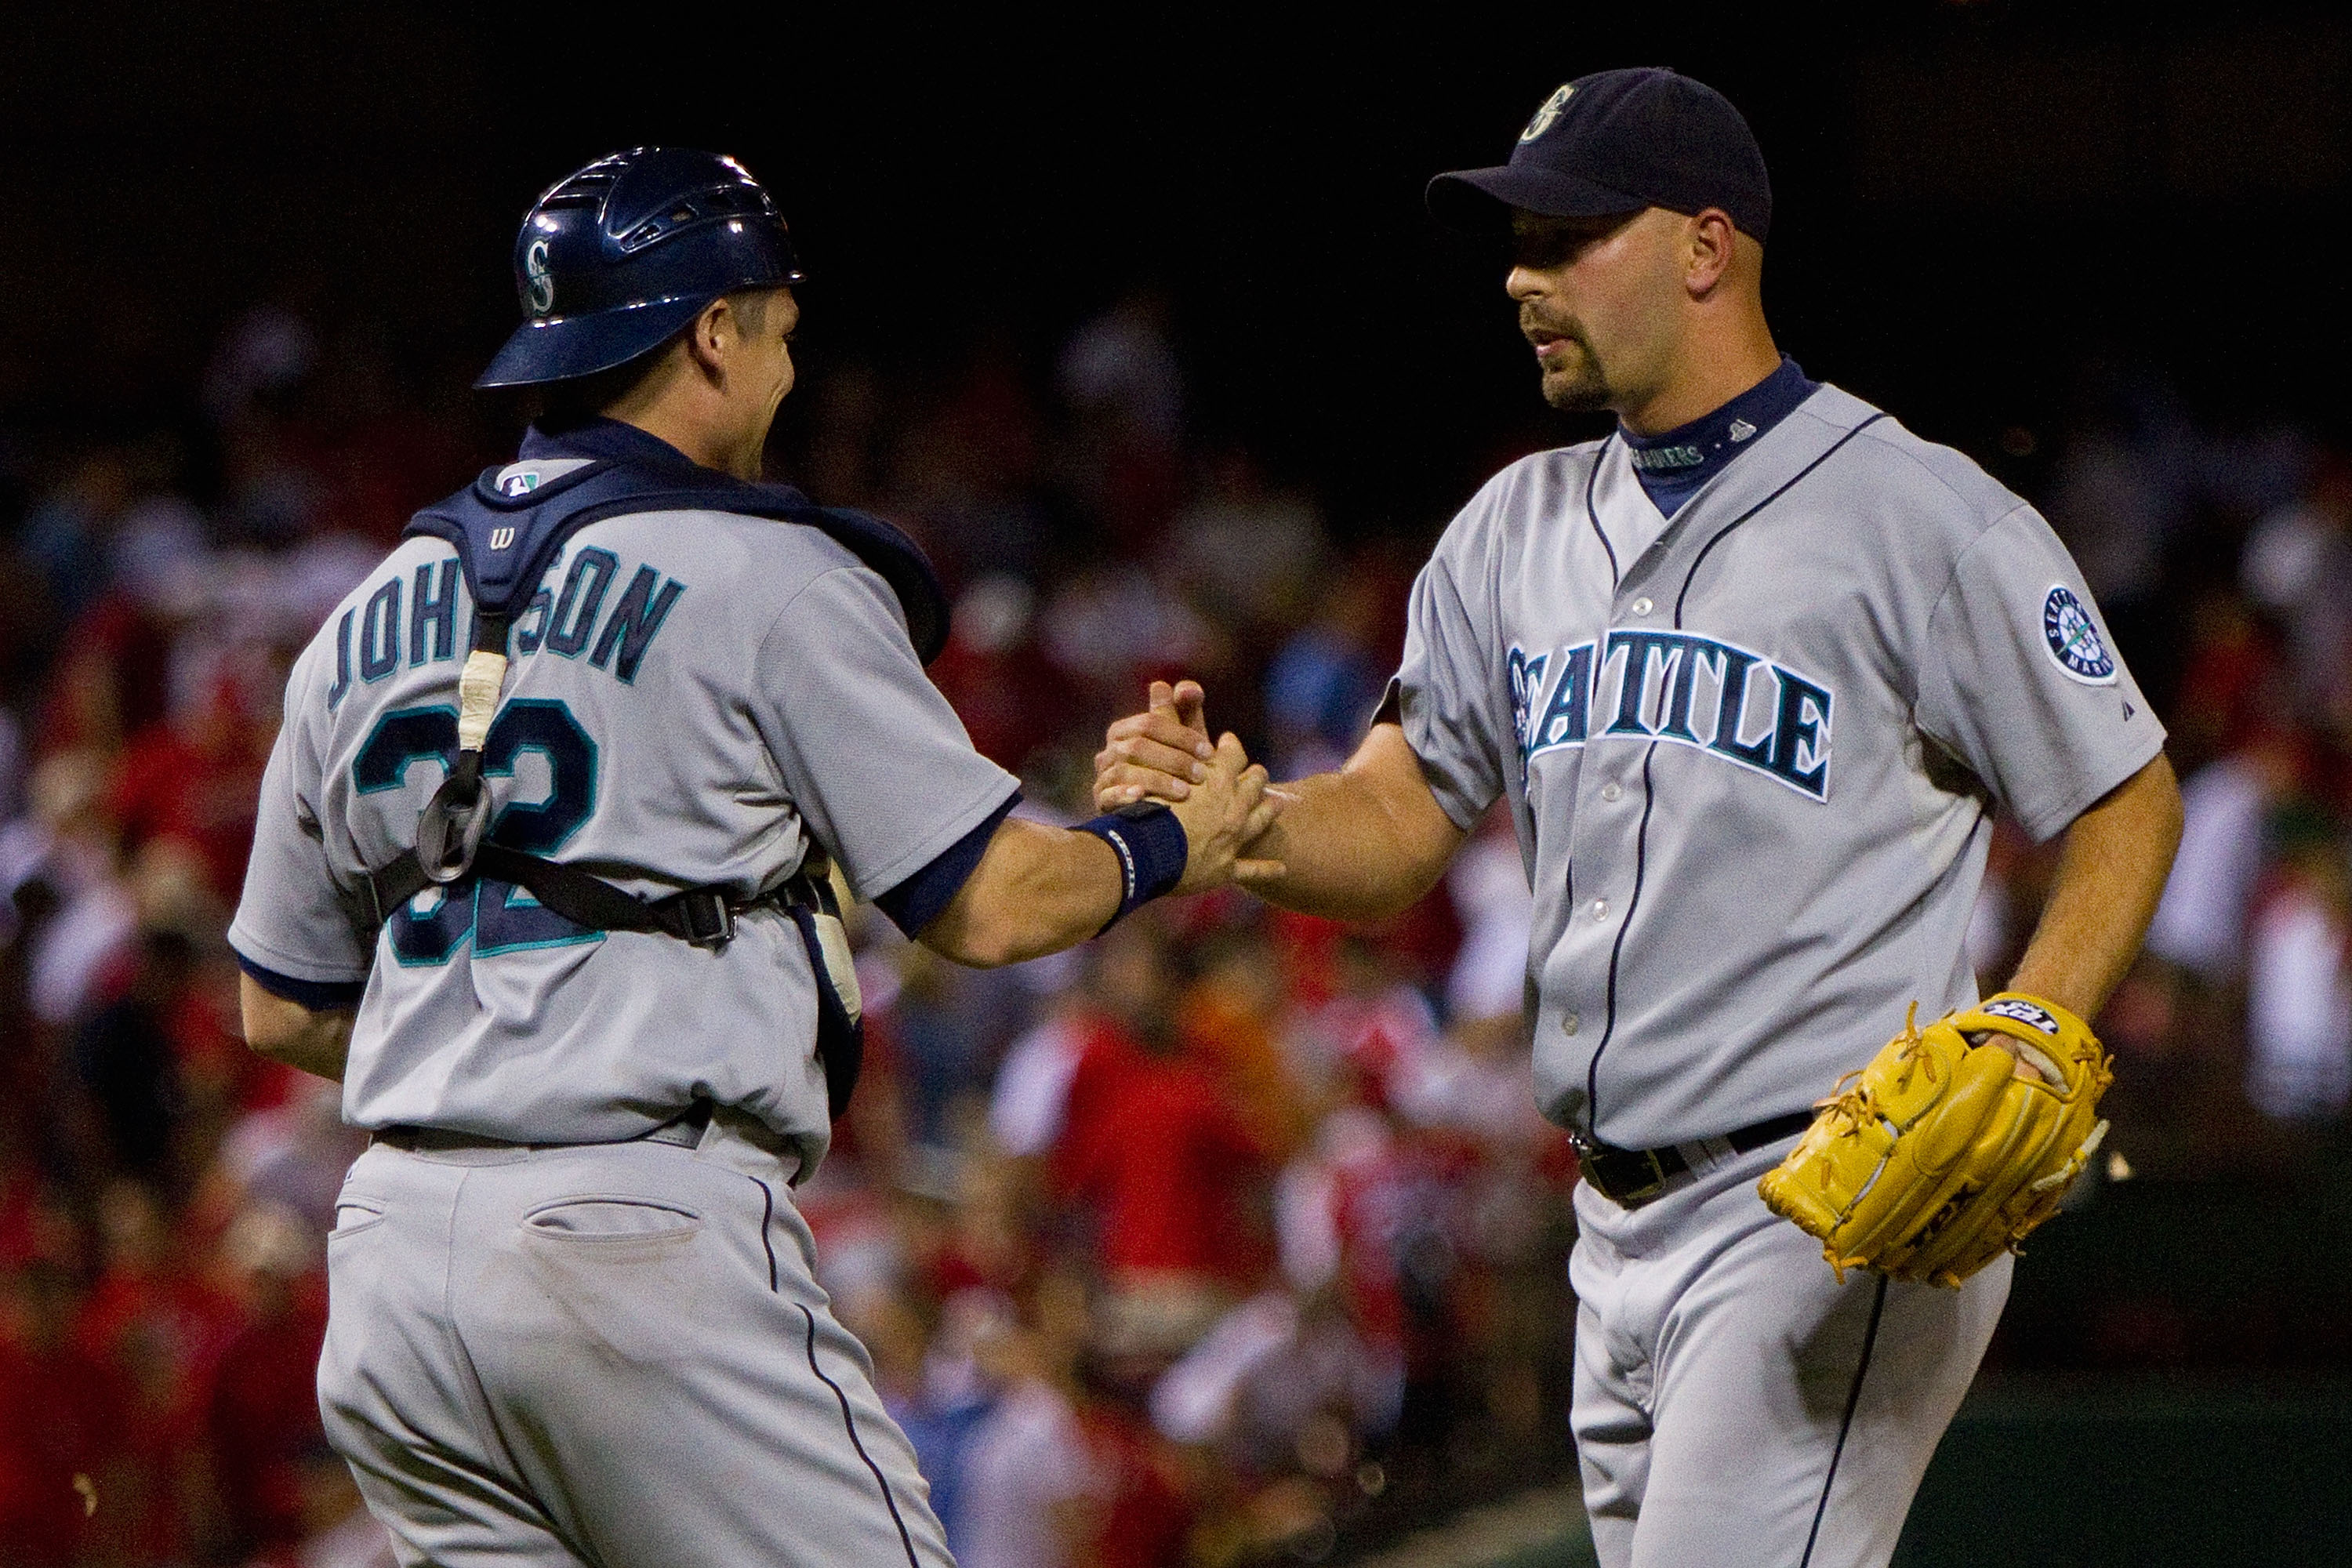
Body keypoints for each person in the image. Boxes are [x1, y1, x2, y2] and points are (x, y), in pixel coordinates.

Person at [1093, 70, 2183, 1568]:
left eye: (1567, 238)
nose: (1522, 279)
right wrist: (1251, 826)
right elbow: (1402, 815)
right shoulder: (1511, 528)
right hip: (1606, 1226)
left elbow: (2124, 789)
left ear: (1705, 247)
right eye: (1518, 245)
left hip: (1822, 1210)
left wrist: (2035, 1024)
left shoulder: (1917, 515)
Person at [228, 147, 1274, 1568]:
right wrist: (1180, 838)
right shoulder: (765, 574)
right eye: (777, 323)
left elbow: (279, 1006)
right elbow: (989, 901)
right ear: (713, 331)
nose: (789, 361)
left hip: (395, 1271)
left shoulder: (364, 612)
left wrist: (496, 1063)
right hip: (639, 1238)